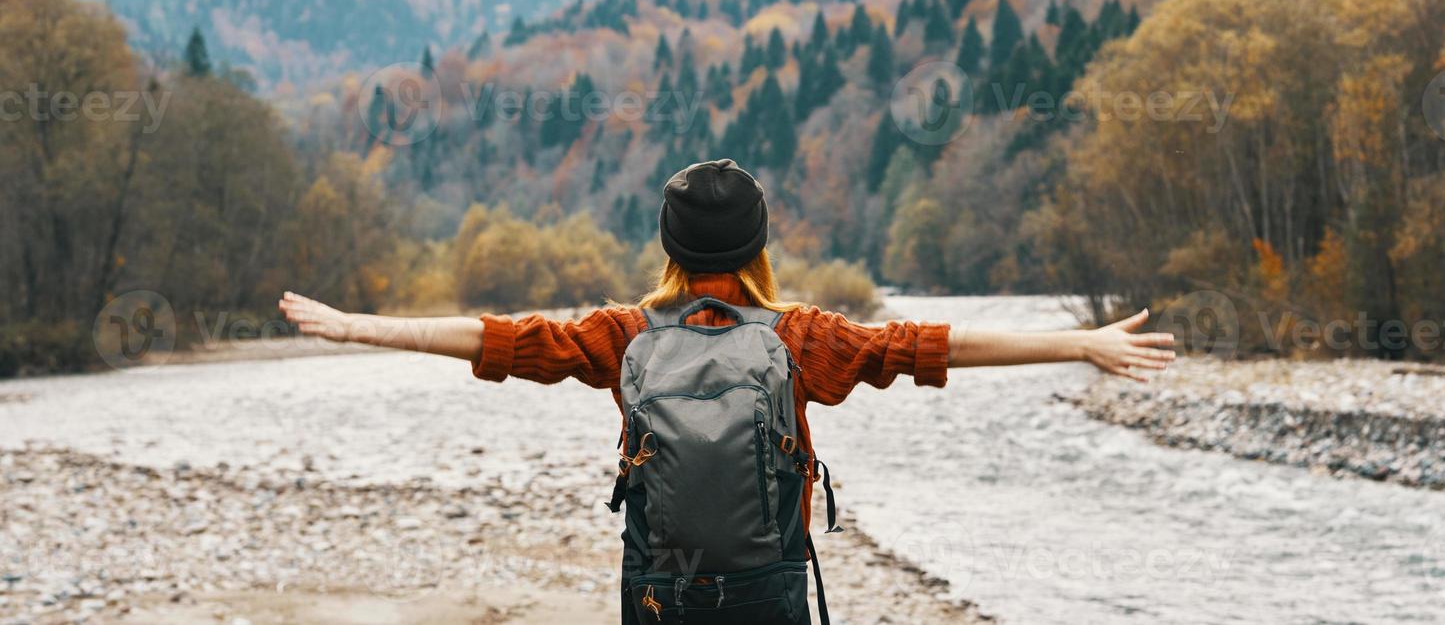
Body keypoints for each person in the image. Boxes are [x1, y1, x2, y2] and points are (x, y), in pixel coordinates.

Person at [281, 159, 1175, 622]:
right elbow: (926, 348)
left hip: (660, 586)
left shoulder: (624, 334)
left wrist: (360, 328)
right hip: (768, 585)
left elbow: (502, 341)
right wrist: (1076, 344)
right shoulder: (799, 338)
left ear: (669, 248)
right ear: (757, 248)